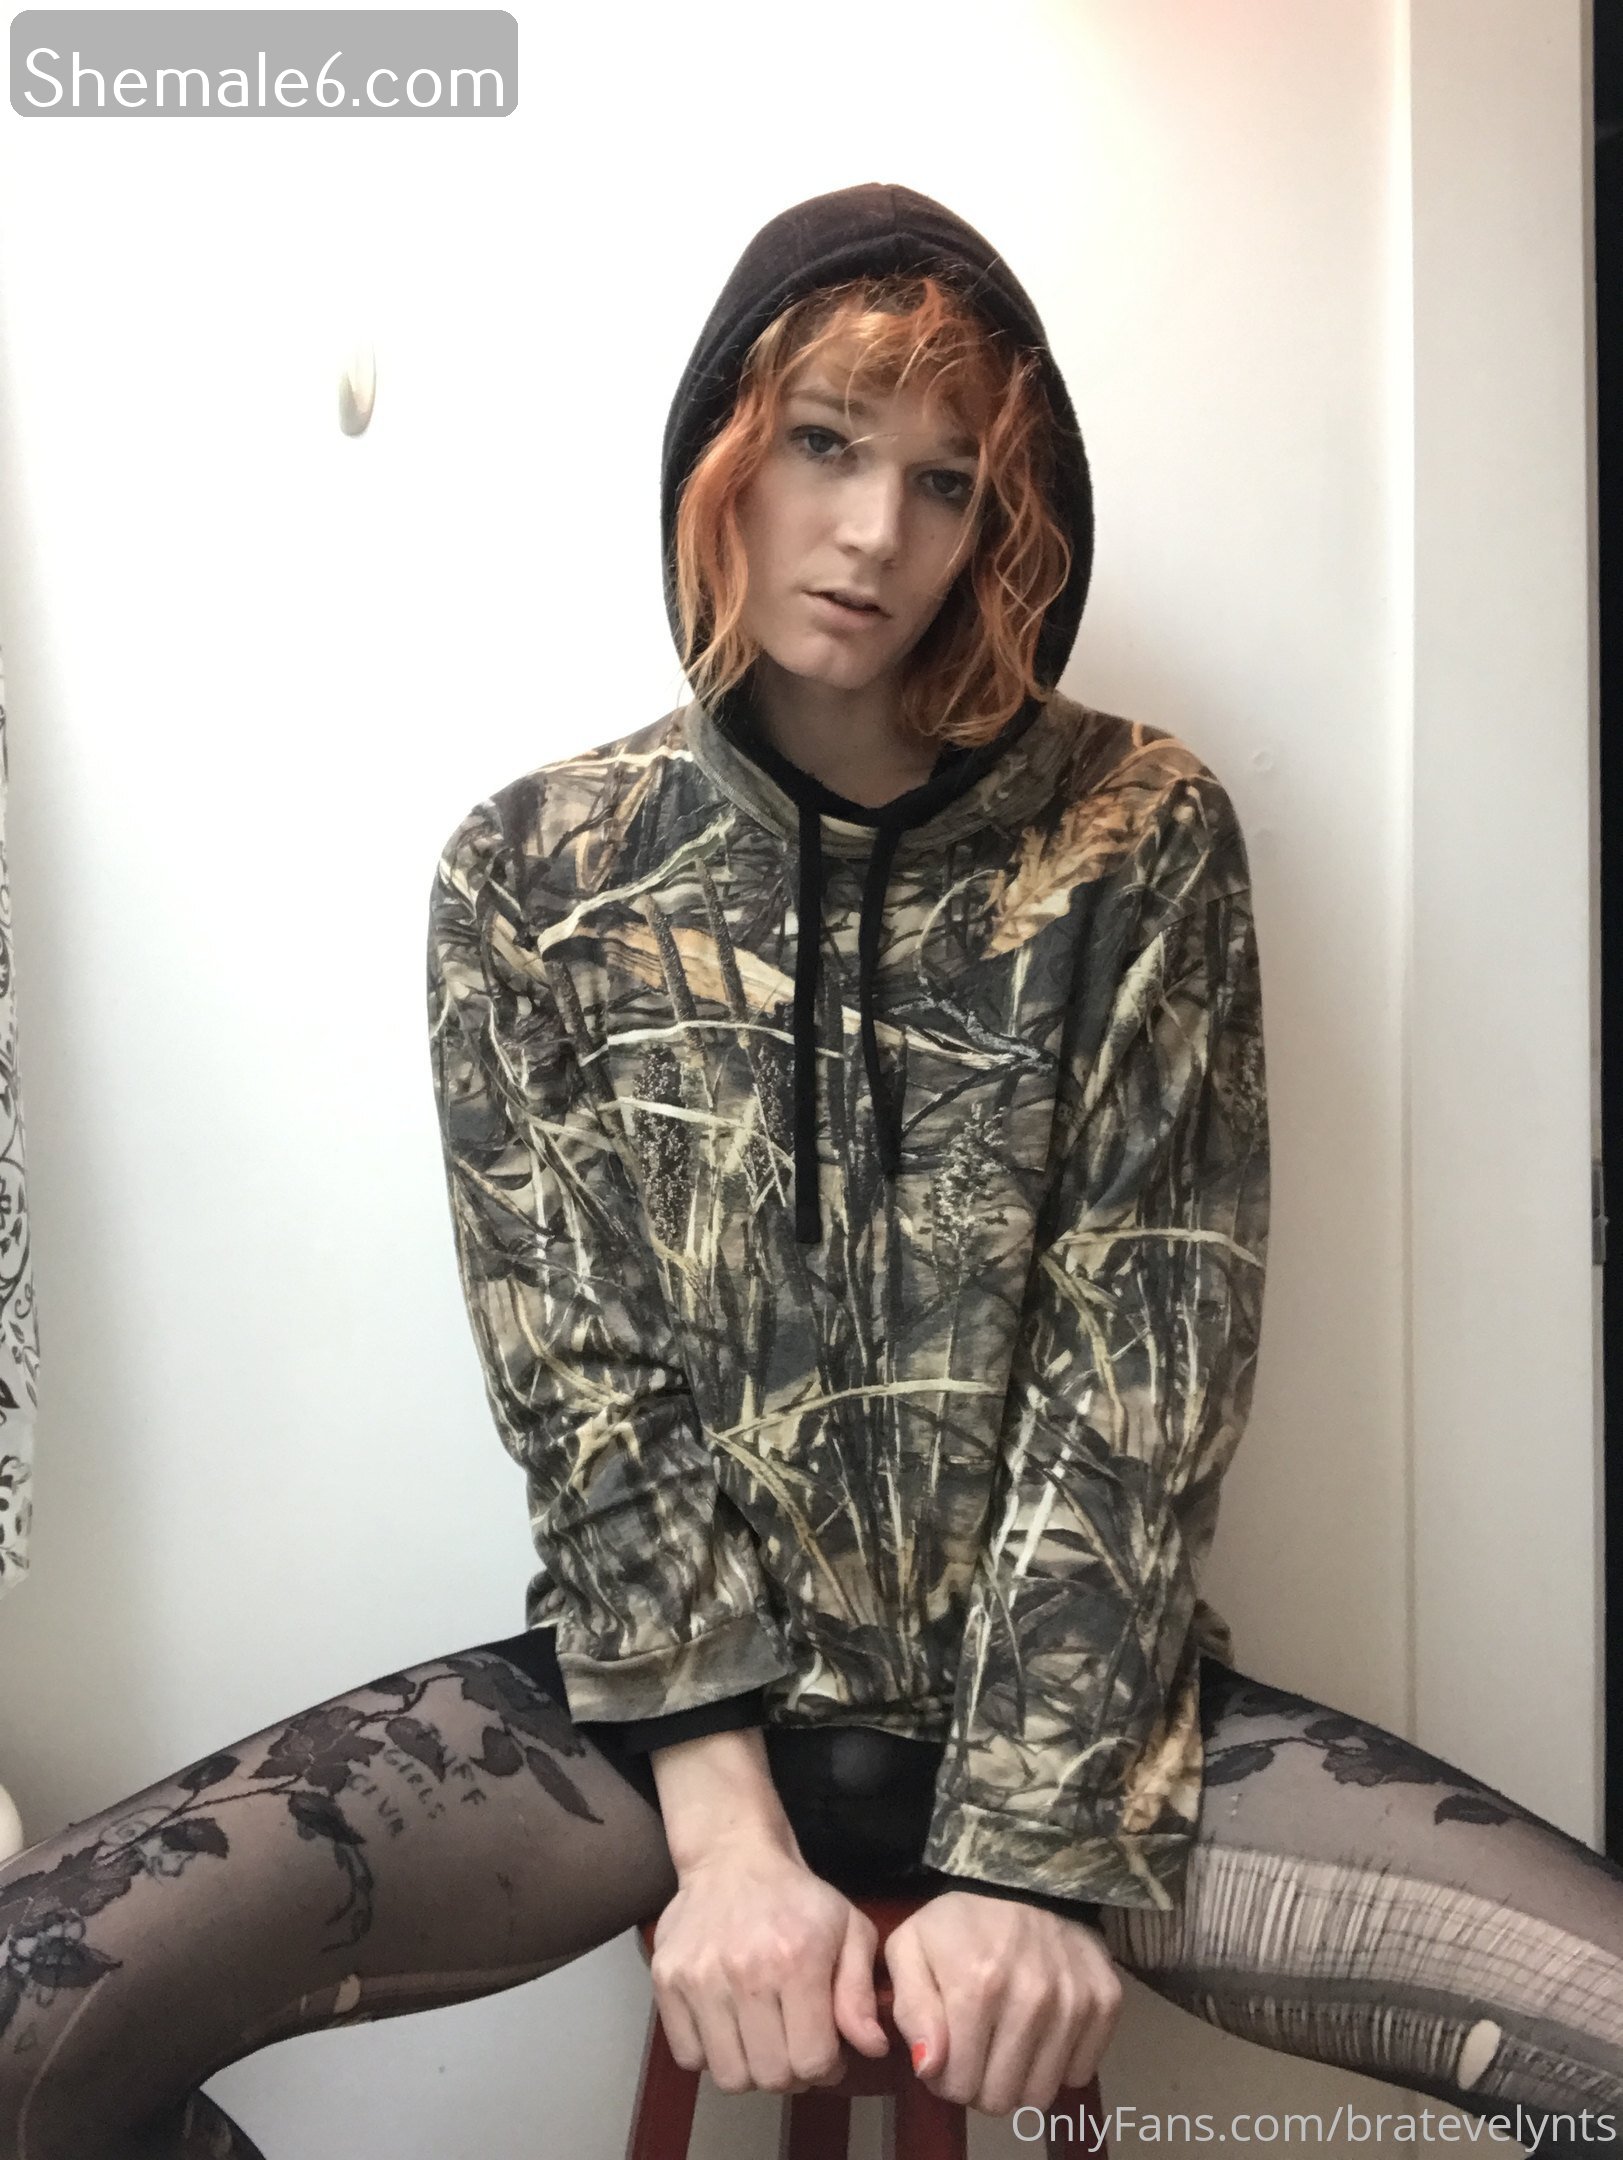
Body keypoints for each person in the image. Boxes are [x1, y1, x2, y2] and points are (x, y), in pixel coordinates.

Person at [0, 181, 1619, 2160]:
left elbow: (1138, 1382)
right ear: (724, 456)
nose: (872, 536)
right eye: (826, 445)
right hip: (643, 1730)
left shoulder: (1136, 837)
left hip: (1085, 1721)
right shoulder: (534, 875)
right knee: (25, 2015)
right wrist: (728, 1839)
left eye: (945, 482)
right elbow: (588, 1403)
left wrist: (1025, 1859)